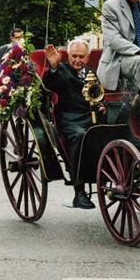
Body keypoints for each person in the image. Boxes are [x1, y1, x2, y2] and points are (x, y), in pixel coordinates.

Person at [42, 39, 101, 209]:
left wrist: (101, 105)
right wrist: (53, 66)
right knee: (81, 136)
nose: (77, 60)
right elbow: (48, 84)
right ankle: (79, 191)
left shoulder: (92, 73)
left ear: (87, 57)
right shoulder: (60, 70)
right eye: (73, 56)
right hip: (69, 119)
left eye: (81, 57)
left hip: (91, 117)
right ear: (68, 56)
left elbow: (98, 94)